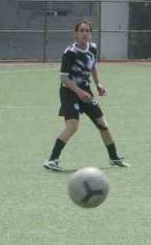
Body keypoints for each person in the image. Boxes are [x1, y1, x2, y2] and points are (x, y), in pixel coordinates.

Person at [43, 20, 128, 170]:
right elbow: (63, 77)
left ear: (90, 33)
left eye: (87, 30)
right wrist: (79, 92)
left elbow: (93, 66)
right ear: (76, 34)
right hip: (69, 92)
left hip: (86, 91)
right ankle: (52, 160)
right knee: (73, 126)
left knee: (103, 124)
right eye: (81, 31)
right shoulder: (70, 52)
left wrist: (98, 84)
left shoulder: (93, 48)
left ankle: (114, 157)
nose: (84, 33)